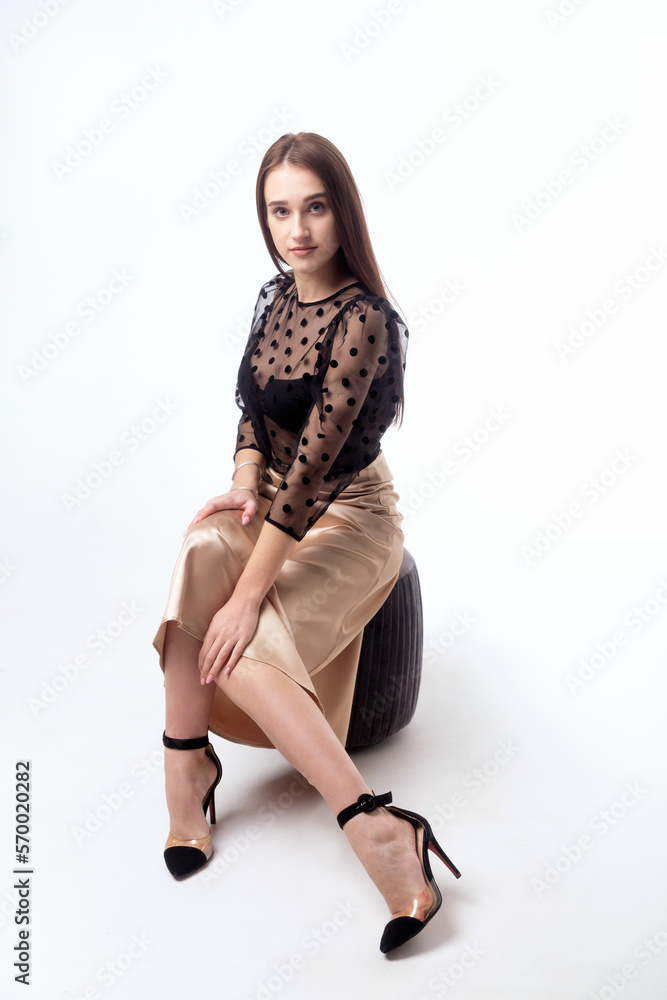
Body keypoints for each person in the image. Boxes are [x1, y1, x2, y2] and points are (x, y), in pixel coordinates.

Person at [151, 131, 460, 954]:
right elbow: (254, 408)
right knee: (197, 550)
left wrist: (248, 595)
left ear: (342, 212)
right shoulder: (275, 296)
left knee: (242, 640)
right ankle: (187, 763)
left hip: (350, 514)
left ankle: (376, 825)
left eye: (314, 208)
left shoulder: (366, 321)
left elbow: (317, 469)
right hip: (278, 502)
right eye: (279, 211)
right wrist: (242, 478)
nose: (297, 229)